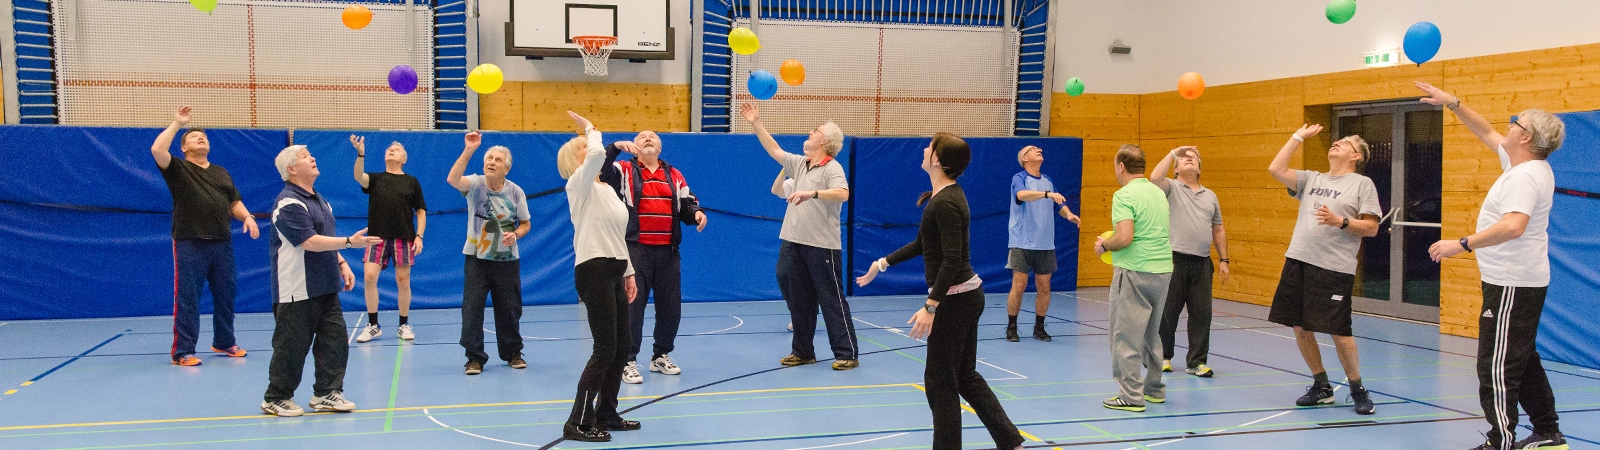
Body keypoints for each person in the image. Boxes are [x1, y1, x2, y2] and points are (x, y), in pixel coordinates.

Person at [1416, 81, 1569, 450]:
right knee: (1522, 359)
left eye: (1515, 124)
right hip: (1513, 282)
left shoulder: (1525, 176)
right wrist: (1452, 103)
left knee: (1495, 366)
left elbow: (1514, 226)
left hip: (1512, 284)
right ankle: (1548, 433)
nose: (1509, 127)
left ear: (1526, 136)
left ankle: (1500, 441)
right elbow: (1485, 130)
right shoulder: (1523, 164)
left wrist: (1462, 244)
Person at [856, 133, 1024, 450]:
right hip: (966, 295)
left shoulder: (946, 202)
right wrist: (881, 263)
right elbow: (923, 243)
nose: (923, 149)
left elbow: (952, 259)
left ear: (937, 160)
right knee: (964, 377)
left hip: (956, 300)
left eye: (929, 146)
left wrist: (932, 305)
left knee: (939, 383)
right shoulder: (943, 196)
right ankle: (1011, 441)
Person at [1265, 124, 1381, 415]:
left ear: (1356, 156)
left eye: (1345, 143)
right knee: (1300, 326)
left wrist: (1341, 221)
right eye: (1337, 140)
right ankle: (1321, 386)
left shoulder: (1361, 184)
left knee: (1339, 332)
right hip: (1299, 260)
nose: (1336, 144)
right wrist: (1297, 138)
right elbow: (1276, 168)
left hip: (1333, 268)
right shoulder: (1311, 179)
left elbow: (1372, 227)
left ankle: (1357, 389)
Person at [260, 145, 382, 417]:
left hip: (326, 285)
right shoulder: (288, 202)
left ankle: (326, 392)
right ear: (291, 169)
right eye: (305, 156)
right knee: (292, 346)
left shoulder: (320, 200)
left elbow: (324, 236)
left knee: (335, 341)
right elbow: (308, 241)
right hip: (296, 289)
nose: (312, 157)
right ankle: (276, 397)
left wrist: (340, 262)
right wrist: (351, 242)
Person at [739, 102, 860, 370]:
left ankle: (847, 352)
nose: (810, 131)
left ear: (825, 141)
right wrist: (756, 122)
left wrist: (812, 193)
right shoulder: (799, 163)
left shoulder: (832, 168)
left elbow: (843, 193)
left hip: (822, 245)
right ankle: (803, 351)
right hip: (793, 242)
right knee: (794, 289)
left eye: (815, 130)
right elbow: (774, 149)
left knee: (831, 298)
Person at [149, 106, 258, 366]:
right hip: (189, 242)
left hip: (221, 243)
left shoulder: (221, 172)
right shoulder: (178, 169)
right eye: (194, 137)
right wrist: (177, 123)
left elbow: (234, 202)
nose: (201, 139)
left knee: (226, 294)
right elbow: (157, 150)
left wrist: (248, 217)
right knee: (188, 297)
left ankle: (224, 341)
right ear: (184, 148)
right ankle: (183, 351)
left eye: (204, 137)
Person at [557, 112, 640, 442]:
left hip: (615, 268)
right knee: (605, 347)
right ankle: (576, 421)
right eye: (583, 147)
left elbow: (617, 234)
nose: (590, 148)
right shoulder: (577, 185)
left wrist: (629, 272)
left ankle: (606, 412)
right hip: (593, 270)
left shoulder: (604, 189)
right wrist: (591, 129)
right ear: (575, 159)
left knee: (620, 348)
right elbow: (595, 154)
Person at [603, 130, 707, 384]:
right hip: (635, 249)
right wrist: (615, 146)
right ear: (634, 147)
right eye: (642, 137)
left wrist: (696, 214)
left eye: (652, 137)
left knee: (671, 308)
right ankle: (627, 360)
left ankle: (661, 355)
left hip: (668, 251)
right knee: (632, 307)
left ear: (660, 147)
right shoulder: (624, 170)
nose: (647, 138)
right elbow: (603, 171)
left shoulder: (674, 174)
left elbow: (687, 203)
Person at [1093, 144, 1172, 412]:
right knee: (1151, 333)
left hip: (1135, 270)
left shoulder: (1124, 195)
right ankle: (1154, 389)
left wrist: (1104, 245)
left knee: (1125, 336)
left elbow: (1125, 238)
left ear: (1121, 167)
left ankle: (1130, 395)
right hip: (1162, 270)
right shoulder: (1158, 192)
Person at [446, 131, 531, 375]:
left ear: (507, 167)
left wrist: (516, 234)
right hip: (476, 258)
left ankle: (513, 352)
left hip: (506, 260)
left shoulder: (516, 192)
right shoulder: (474, 184)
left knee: (509, 308)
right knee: (472, 308)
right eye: (488, 158)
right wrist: (469, 149)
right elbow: (452, 179)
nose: (492, 162)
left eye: (497, 160)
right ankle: (474, 358)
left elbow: (525, 223)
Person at [1148, 146, 1229, 377]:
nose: (1189, 159)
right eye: (1184, 159)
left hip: (1202, 263)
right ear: (1175, 169)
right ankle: (1163, 356)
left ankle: (1197, 362)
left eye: (1193, 157)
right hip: (1173, 259)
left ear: (1200, 168)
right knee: (1167, 312)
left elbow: (1218, 229)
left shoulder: (1210, 196)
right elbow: (1154, 177)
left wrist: (1224, 259)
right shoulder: (1171, 187)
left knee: (1202, 314)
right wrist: (1174, 152)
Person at [350, 136, 428, 343]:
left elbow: (420, 211)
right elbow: (359, 176)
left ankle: (403, 324)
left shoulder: (411, 182)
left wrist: (419, 235)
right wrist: (360, 154)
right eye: (389, 149)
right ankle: (373, 325)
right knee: (369, 277)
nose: (391, 151)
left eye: (396, 149)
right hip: (377, 237)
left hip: (404, 237)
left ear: (404, 158)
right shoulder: (375, 179)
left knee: (403, 281)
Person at [1005, 145, 1082, 342]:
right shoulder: (1019, 178)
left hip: (1045, 243)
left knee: (1044, 287)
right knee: (1019, 285)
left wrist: (1069, 214)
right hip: (1022, 241)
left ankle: (1039, 327)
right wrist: (1047, 194)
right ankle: (1011, 327)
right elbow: (1021, 195)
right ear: (1025, 158)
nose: (1039, 149)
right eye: (1033, 149)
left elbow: (1060, 204)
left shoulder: (1047, 180)